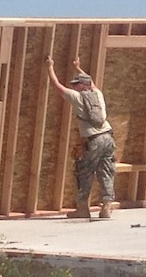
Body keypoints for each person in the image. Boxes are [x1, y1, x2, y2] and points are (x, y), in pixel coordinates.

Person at [48, 57, 115, 219]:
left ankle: (82, 208)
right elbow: (91, 82)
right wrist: (78, 68)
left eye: (76, 84)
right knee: (106, 171)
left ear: (82, 86)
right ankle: (106, 206)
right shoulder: (98, 94)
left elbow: (57, 86)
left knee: (84, 172)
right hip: (108, 137)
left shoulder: (77, 97)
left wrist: (50, 67)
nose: (74, 86)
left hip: (93, 140)